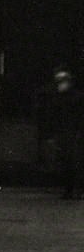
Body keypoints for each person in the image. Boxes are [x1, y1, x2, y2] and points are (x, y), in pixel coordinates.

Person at [50, 67, 84, 199]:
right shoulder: (67, 98)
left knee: (73, 162)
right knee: (69, 163)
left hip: (73, 134)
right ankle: (72, 190)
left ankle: (73, 190)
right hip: (69, 134)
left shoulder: (72, 98)